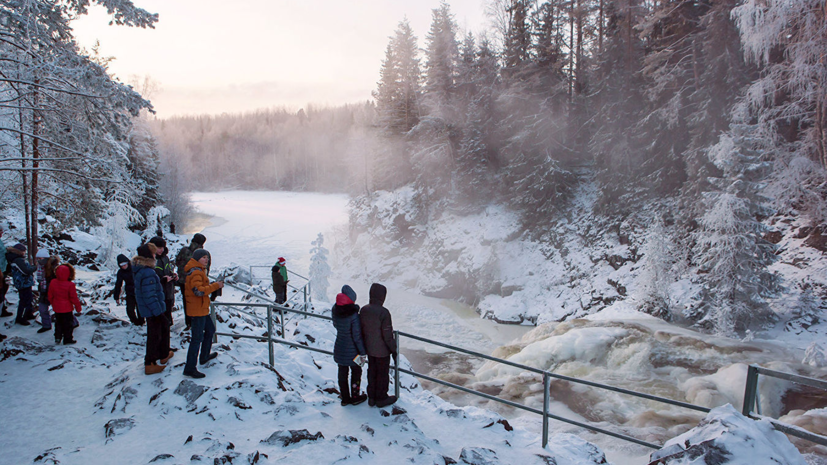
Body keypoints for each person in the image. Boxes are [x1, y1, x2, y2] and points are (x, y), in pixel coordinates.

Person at [183, 248, 223, 378]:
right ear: (197, 258)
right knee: (196, 339)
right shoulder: (196, 272)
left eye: (207, 257)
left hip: (201, 309)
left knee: (210, 330)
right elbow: (198, 291)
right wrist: (215, 286)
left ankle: (204, 355)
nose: (206, 259)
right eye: (203, 257)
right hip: (197, 310)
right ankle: (190, 368)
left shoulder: (199, 271)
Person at [134, 243, 171, 375]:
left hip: (150, 309)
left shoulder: (141, 270)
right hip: (153, 310)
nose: (156, 255)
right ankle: (150, 363)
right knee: (155, 335)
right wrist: (158, 312)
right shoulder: (148, 272)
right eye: (154, 253)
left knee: (159, 331)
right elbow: (150, 295)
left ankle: (163, 354)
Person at [360, 283, 398, 407]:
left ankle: (371, 397)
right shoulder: (384, 313)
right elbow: (387, 335)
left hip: (369, 348)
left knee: (372, 371)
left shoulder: (364, 310)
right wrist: (394, 350)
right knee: (382, 374)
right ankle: (381, 398)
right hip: (382, 351)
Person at [332, 285, 368, 406]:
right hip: (353, 351)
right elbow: (357, 337)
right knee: (356, 372)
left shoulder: (335, 310)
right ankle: (355, 396)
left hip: (339, 346)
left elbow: (336, 325)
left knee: (342, 372)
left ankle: (345, 398)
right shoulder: (353, 315)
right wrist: (362, 352)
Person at [176, 233, 206, 330]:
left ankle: (188, 322)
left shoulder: (184, 250)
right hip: (195, 282)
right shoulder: (200, 254)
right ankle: (196, 322)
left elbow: (177, 262)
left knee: (186, 301)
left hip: (183, 281)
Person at [48, 263, 82, 345]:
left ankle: (57, 337)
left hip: (57, 307)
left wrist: (52, 303)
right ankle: (67, 339)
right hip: (67, 308)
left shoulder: (53, 282)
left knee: (58, 323)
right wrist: (78, 307)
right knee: (68, 325)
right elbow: (73, 298)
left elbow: (50, 295)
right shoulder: (70, 285)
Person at [149, 237, 177, 325]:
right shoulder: (150, 260)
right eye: (158, 248)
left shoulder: (165, 258)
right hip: (158, 292)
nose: (161, 250)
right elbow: (150, 278)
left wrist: (173, 276)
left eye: (162, 248)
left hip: (168, 291)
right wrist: (163, 279)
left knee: (168, 313)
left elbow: (169, 269)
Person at [7, 243, 36, 325]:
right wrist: (34, 268)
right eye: (24, 251)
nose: (24, 253)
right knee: (25, 300)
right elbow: (26, 271)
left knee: (28, 299)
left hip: (22, 282)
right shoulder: (18, 260)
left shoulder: (15, 259)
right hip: (23, 283)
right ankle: (21, 318)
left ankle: (28, 314)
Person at [113, 254, 143, 326]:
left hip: (139, 291)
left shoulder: (135, 268)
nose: (124, 266)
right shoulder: (120, 272)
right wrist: (116, 296)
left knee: (140, 308)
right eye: (121, 265)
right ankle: (135, 322)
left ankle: (141, 322)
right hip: (129, 292)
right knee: (130, 309)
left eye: (124, 264)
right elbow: (118, 284)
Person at [34, 249, 53, 333]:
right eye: (37, 258)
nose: (38, 260)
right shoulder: (39, 267)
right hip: (43, 291)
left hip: (53, 291)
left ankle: (73, 322)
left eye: (40, 258)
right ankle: (46, 325)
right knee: (42, 309)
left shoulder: (53, 267)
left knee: (60, 309)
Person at [0, 221, 10, 318]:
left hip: (3, 269)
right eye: (0, 231)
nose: (2, 233)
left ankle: (2, 309)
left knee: (3, 289)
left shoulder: (0, 241)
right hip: (0, 271)